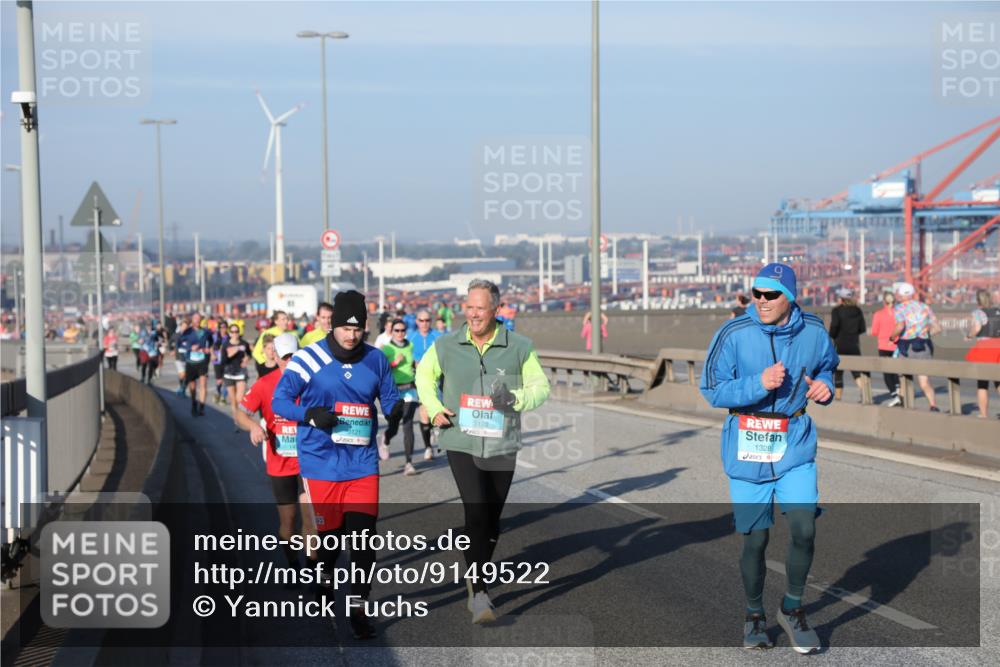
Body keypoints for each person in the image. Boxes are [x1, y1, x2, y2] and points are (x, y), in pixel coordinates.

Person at [699, 263, 837, 654]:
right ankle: (754, 615)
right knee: (756, 540)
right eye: (756, 293)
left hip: (794, 441)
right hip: (747, 444)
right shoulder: (733, 333)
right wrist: (758, 384)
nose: (761, 301)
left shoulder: (813, 330)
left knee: (804, 526)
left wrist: (825, 386)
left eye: (771, 294)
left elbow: (828, 366)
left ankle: (792, 610)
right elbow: (712, 388)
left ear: (789, 296)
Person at [415, 279, 551, 624]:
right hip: (461, 440)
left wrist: (516, 399)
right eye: (469, 307)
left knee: (491, 519)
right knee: (476, 511)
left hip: (502, 443)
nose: (474, 314)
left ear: (495, 309)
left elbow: (540, 387)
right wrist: (433, 408)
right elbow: (424, 375)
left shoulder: (519, 346)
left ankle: (477, 575)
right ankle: (480, 592)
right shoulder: (446, 345)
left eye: (481, 308)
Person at [272, 290, 399, 640]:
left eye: (358, 328)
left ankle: (358, 608)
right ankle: (324, 578)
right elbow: (280, 400)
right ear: (332, 324)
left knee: (363, 539)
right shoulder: (308, 359)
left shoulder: (375, 359)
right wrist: (309, 415)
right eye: (345, 327)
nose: (351, 335)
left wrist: (397, 408)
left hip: (361, 463)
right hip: (322, 463)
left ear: (366, 327)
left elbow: (388, 396)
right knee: (331, 542)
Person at [236, 332, 317, 575]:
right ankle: (292, 566)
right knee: (288, 524)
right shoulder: (265, 384)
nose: (291, 361)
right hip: (279, 463)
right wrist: (253, 427)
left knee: (311, 521)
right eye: (286, 357)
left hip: (310, 462)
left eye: (296, 356)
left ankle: (311, 571)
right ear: (276, 357)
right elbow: (240, 413)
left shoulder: (315, 381)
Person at [890, 282, 941, 411]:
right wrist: (925, 335)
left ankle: (905, 405)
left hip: (906, 347)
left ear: (901, 295)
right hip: (924, 345)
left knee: (904, 379)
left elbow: (900, 326)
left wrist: (892, 337)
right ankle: (933, 405)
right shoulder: (924, 307)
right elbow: (938, 328)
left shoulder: (899, 308)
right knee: (924, 381)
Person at [382, 319, 422, 474]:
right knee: (394, 426)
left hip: (410, 389)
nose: (400, 333)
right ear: (391, 332)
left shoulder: (411, 346)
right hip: (394, 392)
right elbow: (381, 372)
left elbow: (414, 363)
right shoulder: (386, 349)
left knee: (408, 424)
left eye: (402, 330)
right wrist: (393, 364)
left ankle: (409, 463)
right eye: (396, 330)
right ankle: (386, 438)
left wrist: (416, 365)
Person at [407, 309, 441, 460]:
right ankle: (428, 447)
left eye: (427, 320)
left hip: (438, 380)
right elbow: (406, 359)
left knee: (437, 411)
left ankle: (434, 429)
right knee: (424, 412)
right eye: (421, 320)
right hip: (419, 381)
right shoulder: (411, 338)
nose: (424, 324)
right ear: (416, 321)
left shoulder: (438, 337)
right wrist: (414, 364)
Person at [965, 289, 1000, 419]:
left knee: (982, 383)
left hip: (985, 348)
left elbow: (977, 328)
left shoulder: (978, 313)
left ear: (978, 300)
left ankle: (983, 414)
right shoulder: (998, 311)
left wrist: (969, 335)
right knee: (998, 380)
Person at [828, 288, 866, 401]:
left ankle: (838, 398)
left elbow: (834, 326)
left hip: (840, 344)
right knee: (857, 372)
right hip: (854, 344)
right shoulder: (858, 310)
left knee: (838, 372)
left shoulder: (837, 311)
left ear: (841, 299)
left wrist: (833, 335)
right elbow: (862, 328)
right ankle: (864, 394)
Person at [178, 313, 214, 416]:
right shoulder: (187, 332)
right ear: (192, 320)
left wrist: (209, 349)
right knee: (192, 386)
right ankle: (194, 403)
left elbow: (211, 342)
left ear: (201, 320)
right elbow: (179, 344)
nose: (197, 320)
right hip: (190, 362)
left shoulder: (206, 332)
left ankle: (201, 407)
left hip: (202, 361)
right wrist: (190, 348)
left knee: (203, 384)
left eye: (199, 319)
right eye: (195, 319)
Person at [869, 290, 901, 406]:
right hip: (897, 345)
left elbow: (874, 332)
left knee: (887, 373)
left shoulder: (878, 314)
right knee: (897, 371)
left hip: (883, 346)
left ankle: (894, 395)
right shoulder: (899, 313)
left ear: (884, 301)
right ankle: (899, 389)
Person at [223, 323, 253, 432]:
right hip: (229, 373)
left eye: (237, 332)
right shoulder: (226, 344)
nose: (235, 334)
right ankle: (236, 420)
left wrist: (246, 359)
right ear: (229, 333)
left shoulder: (243, 343)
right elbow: (223, 360)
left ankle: (241, 419)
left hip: (241, 372)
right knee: (233, 400)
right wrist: (231, 353)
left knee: (239, 398)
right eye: (233, 332)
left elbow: (249, 354)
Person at [252, 310, 291, 378]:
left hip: (286, 370)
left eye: (287, 319)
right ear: (276, 321)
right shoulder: (268, 333)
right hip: (269, 370)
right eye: (283, 319)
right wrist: (266, 365)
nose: (286, 321)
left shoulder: (293, 334)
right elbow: (256, 352)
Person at [210, 321, 230, 405]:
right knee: (219, 380)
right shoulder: (214, 336)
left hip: (226, 360)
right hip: (217, 361)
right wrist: (212, 354)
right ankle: (217, 393)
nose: (223, 329)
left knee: (226, 379)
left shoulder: (229, 337)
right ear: (219, 328)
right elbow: (210, 346)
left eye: (224, 327)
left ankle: (223, 397)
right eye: (221, 327)